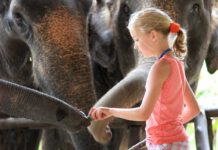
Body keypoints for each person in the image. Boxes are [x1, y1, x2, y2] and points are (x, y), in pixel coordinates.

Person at [88, 8, 200, 150]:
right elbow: (193, 108)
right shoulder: (177, 64)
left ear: (153, 36)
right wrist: (166, 128)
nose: (135, 46)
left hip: (164, 145)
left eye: (137, 39)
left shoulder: (159, 68)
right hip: (177, 141)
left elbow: (143, 113)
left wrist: (110, 111)